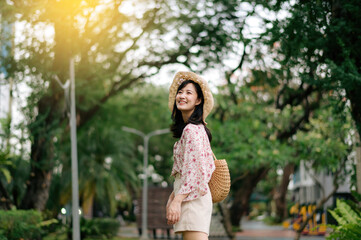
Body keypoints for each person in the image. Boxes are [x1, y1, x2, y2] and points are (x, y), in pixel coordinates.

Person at [166, 71, 215, 240]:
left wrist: (177, 201)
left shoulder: (192, 130)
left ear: (198, 100)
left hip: (193, 199)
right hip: (191, 197)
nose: (182, 96)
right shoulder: (192, 129)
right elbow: (187, 172)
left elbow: (195, 171)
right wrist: (172, 198)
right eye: (180, 92)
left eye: (188, 93)